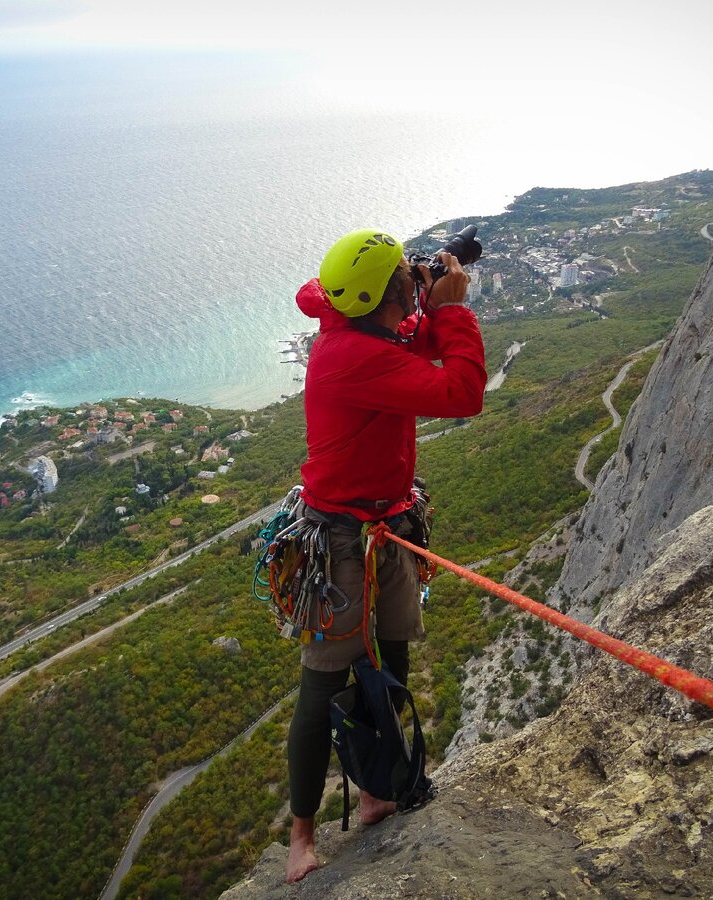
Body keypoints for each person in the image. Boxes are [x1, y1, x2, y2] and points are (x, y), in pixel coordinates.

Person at [285, 228, 486, 883]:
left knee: (391, 661)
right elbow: (462, 392)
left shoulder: (359, 322)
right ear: (382, 296)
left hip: (386, 523)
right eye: (404, 275)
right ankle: (301, 838)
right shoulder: (349, 356)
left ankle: (377, 791)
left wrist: (421, 299)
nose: (413, 279)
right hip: (340, 540)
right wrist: (451, 308)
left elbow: (408, 333)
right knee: (324, 685)